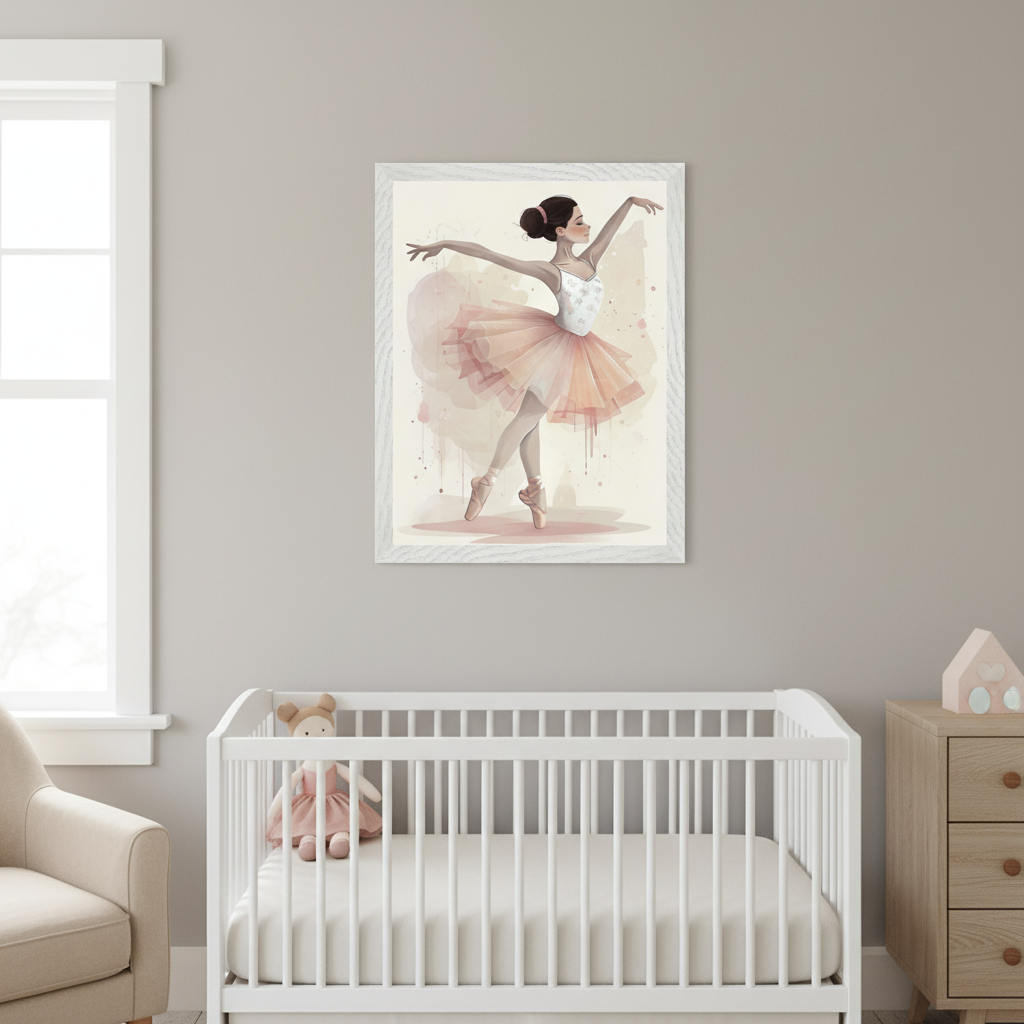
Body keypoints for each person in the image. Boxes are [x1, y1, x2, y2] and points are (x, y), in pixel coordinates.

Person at [407, 194, 662, 529]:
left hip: (577, 349)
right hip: (552, 348)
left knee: (530, 418)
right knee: (529, 415)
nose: (587, 227)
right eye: (579, 222)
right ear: (559, 231)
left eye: (584, 220)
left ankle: (535, 491)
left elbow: (608, 233)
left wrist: (629, 203)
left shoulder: (590, 261)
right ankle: (488, 479)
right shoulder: (551, 270)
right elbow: (492, 255)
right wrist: (445, 243)